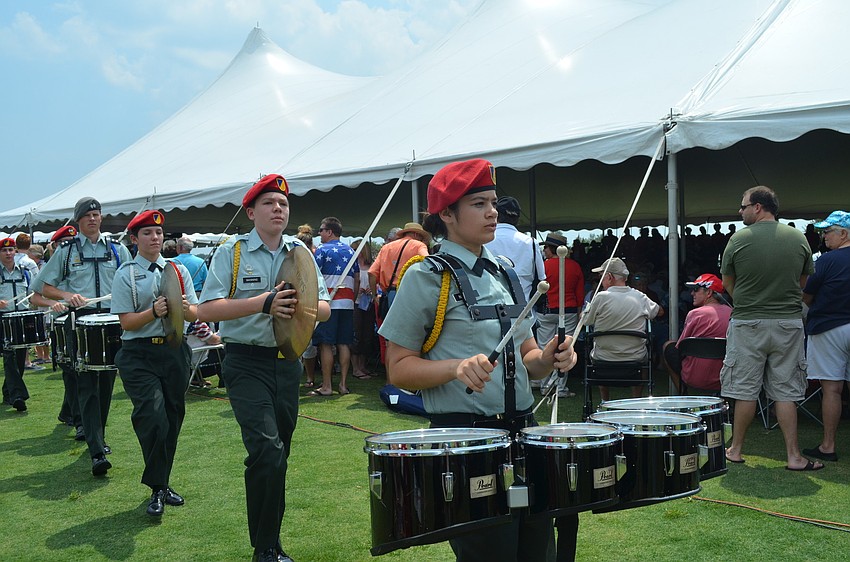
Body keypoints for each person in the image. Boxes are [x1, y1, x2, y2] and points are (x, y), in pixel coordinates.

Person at [379, 158, 578, 562]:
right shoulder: (426, 276)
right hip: (466, 441)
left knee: (539, 552)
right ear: (447, 214)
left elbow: (528, 357)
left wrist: (552, 356)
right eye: (478, 204)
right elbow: (398, 368)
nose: (492, 212)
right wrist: (455, 367)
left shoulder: (503, 271)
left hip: (526, 432)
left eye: (492, 202)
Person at [197, 174, 330, 562]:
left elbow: (322, 307)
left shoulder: (300, 253)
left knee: (279, 455)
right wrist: (264, 302)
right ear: (251, 212)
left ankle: (271, 542)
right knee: (267, 452)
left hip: (287, 365)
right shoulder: (232, 252)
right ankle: (265, 548)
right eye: (270, 203)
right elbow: (207, 309)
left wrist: (302, 306)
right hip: (245, 362)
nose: (278, 209)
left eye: (283, 204)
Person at [720, 186, 821, 471]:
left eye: (743, 207)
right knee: (786, 392)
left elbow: (728, 282)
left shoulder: (738, 240)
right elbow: (802, 283)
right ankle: (794, 456)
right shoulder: (798, 238)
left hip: (748, 322)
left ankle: (736, 450)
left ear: (758, 207)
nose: (740, 212)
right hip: (788, 323)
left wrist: (746, 300)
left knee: (745, 390)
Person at [34, 197, 133, 476]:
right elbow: (42, 287)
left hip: (113, 324)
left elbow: (132, 278)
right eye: (87, 215)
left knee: (106, 386)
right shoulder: (65, 251)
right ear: (78, 221)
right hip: (80, 325)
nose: (93, 218)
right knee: (87, 385)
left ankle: (98, 436)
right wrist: (67, 296)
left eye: (96, 214)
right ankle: (96, 450)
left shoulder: (117, 249)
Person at [111, 210, 199, 516]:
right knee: (153, 417)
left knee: (172, 420)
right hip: (138, 354)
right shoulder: (126, 274)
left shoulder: (177, 271)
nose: (155, 238)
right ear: (135, 239)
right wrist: (154, 311)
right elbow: (126, 322)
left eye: (159, 233)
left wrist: (186, 309)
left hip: (174, 351)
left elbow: (195, 314)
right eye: (147, 233)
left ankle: (161, 485)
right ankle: (157, 486)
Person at [801, 211, 850, 462]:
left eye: (828, 231)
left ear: (843, 233)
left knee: (832, 388)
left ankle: (828, 445)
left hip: (829, 327)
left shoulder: (827, 260)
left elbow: (806, 296)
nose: (823, 236)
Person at [583, 257, 663, 401]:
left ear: (609, 277)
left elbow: (585, 321)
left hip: (603, 359)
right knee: (644, 356)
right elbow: (660, 312)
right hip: (635, 359)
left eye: (601, 276)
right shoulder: (639, 296)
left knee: (596, 350)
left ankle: (604, 401)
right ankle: (636, 400)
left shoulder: (600, 297)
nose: (600, 280)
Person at [30, 225, 82, 431]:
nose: (67, 248)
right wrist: (53, 303)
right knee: (70, 370)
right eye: (62, 244)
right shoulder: (49, 268)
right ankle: (77, 418)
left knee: (77, 371)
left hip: (80, 320)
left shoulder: (80, 261)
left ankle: (68, 412)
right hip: (61, 323)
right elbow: (35, 297)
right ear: (54, 246)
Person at [368, 222, 430, 364]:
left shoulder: (386, 248)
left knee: (390, 341)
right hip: (409, 296)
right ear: (416, 234)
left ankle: (391, 381)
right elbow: (427, 263)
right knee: (413, 339)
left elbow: (371, 273)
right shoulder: (418, 245)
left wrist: (374, 295)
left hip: (388, 295)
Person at [311, 216, 358, 396]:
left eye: (321, 230)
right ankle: (343, 385)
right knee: (344, 343)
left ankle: (327, 386)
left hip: (328, 302)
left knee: (325, 343)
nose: (320, 234)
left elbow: (314, 276)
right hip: (347, 302)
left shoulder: (321, 250)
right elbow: (357, 278)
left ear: (329, 231)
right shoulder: (351, 251)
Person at [661, 273, 731, 393]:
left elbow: (681, 346)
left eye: (696, 289)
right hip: (726, 377)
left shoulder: (695, 314)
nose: (692, 293)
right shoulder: (733, 313)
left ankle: (684, 394)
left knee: (668, 346)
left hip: (694, 377)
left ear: (709, 293)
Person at [537, 233, 584, 398]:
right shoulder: (575, 266)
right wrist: (579, 312)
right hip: (569, 310)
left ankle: (544, 385)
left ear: (550, 248)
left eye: (546, 247)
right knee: (565, 347)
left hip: (546, 310)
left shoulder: (544, 266)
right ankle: (560, 387)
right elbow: (579, 293)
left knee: (544, 348)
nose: (544, 250)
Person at [485, 196, 546, 303]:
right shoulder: (530, 243)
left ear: (496, 215)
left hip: (492, 312)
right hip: (525, 313)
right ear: (518, 218)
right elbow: (542, 279)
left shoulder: (484, 240)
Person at [1, 237, 33, 411]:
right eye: (4, 250)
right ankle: (18, 395)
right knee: (9, 355)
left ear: (15, 251)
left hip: (22, 318)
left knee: (20, 357)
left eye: (11, 250)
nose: (8, 253)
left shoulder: (25, 272)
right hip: (3, 318)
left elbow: (32, 294)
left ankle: (8, 392)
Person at [295, 224, 318, 387]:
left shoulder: (291, 259)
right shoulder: (312, 261)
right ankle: (309, 378)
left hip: (299, 307)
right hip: (306, 307)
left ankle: (305, 377)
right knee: (307, 345)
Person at [350, 239, 376, 380]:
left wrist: (371, 291)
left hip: (368, 302)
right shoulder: (352, 267)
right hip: (356, 303)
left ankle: (362, 366)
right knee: (356, 335)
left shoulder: (371, 266)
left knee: (367, 335)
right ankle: (355, 368)